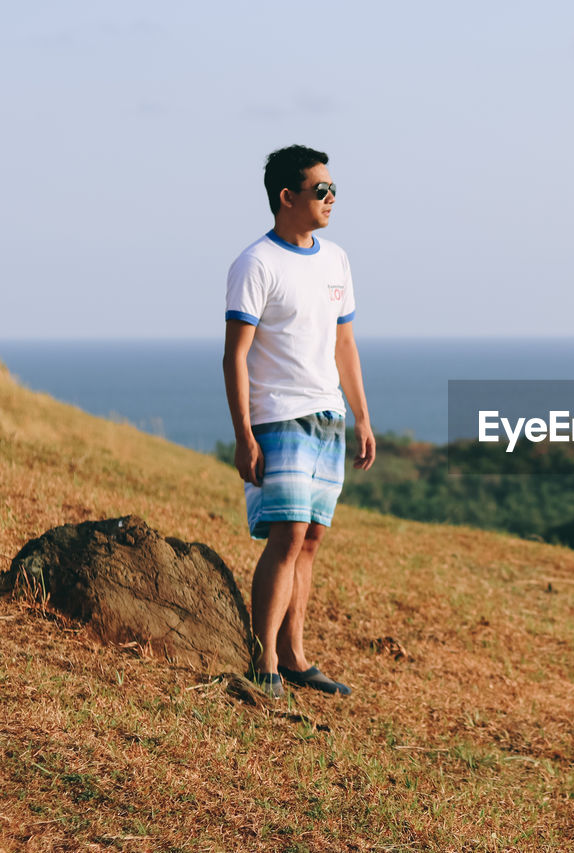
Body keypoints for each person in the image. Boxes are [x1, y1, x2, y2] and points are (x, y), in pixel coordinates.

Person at [222, 145, 375, 698]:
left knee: (310, 540)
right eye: (321, 190)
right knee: (285, 537)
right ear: (288, 197)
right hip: (278, 418)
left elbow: (345, 342)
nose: (332, 199)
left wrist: (361, 415)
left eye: (334, 190)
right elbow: (235, 355)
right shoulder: (256, 263)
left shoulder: (336, 259)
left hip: (328, 417)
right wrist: (243, 435)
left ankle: (295, 657)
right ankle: (263, 658)